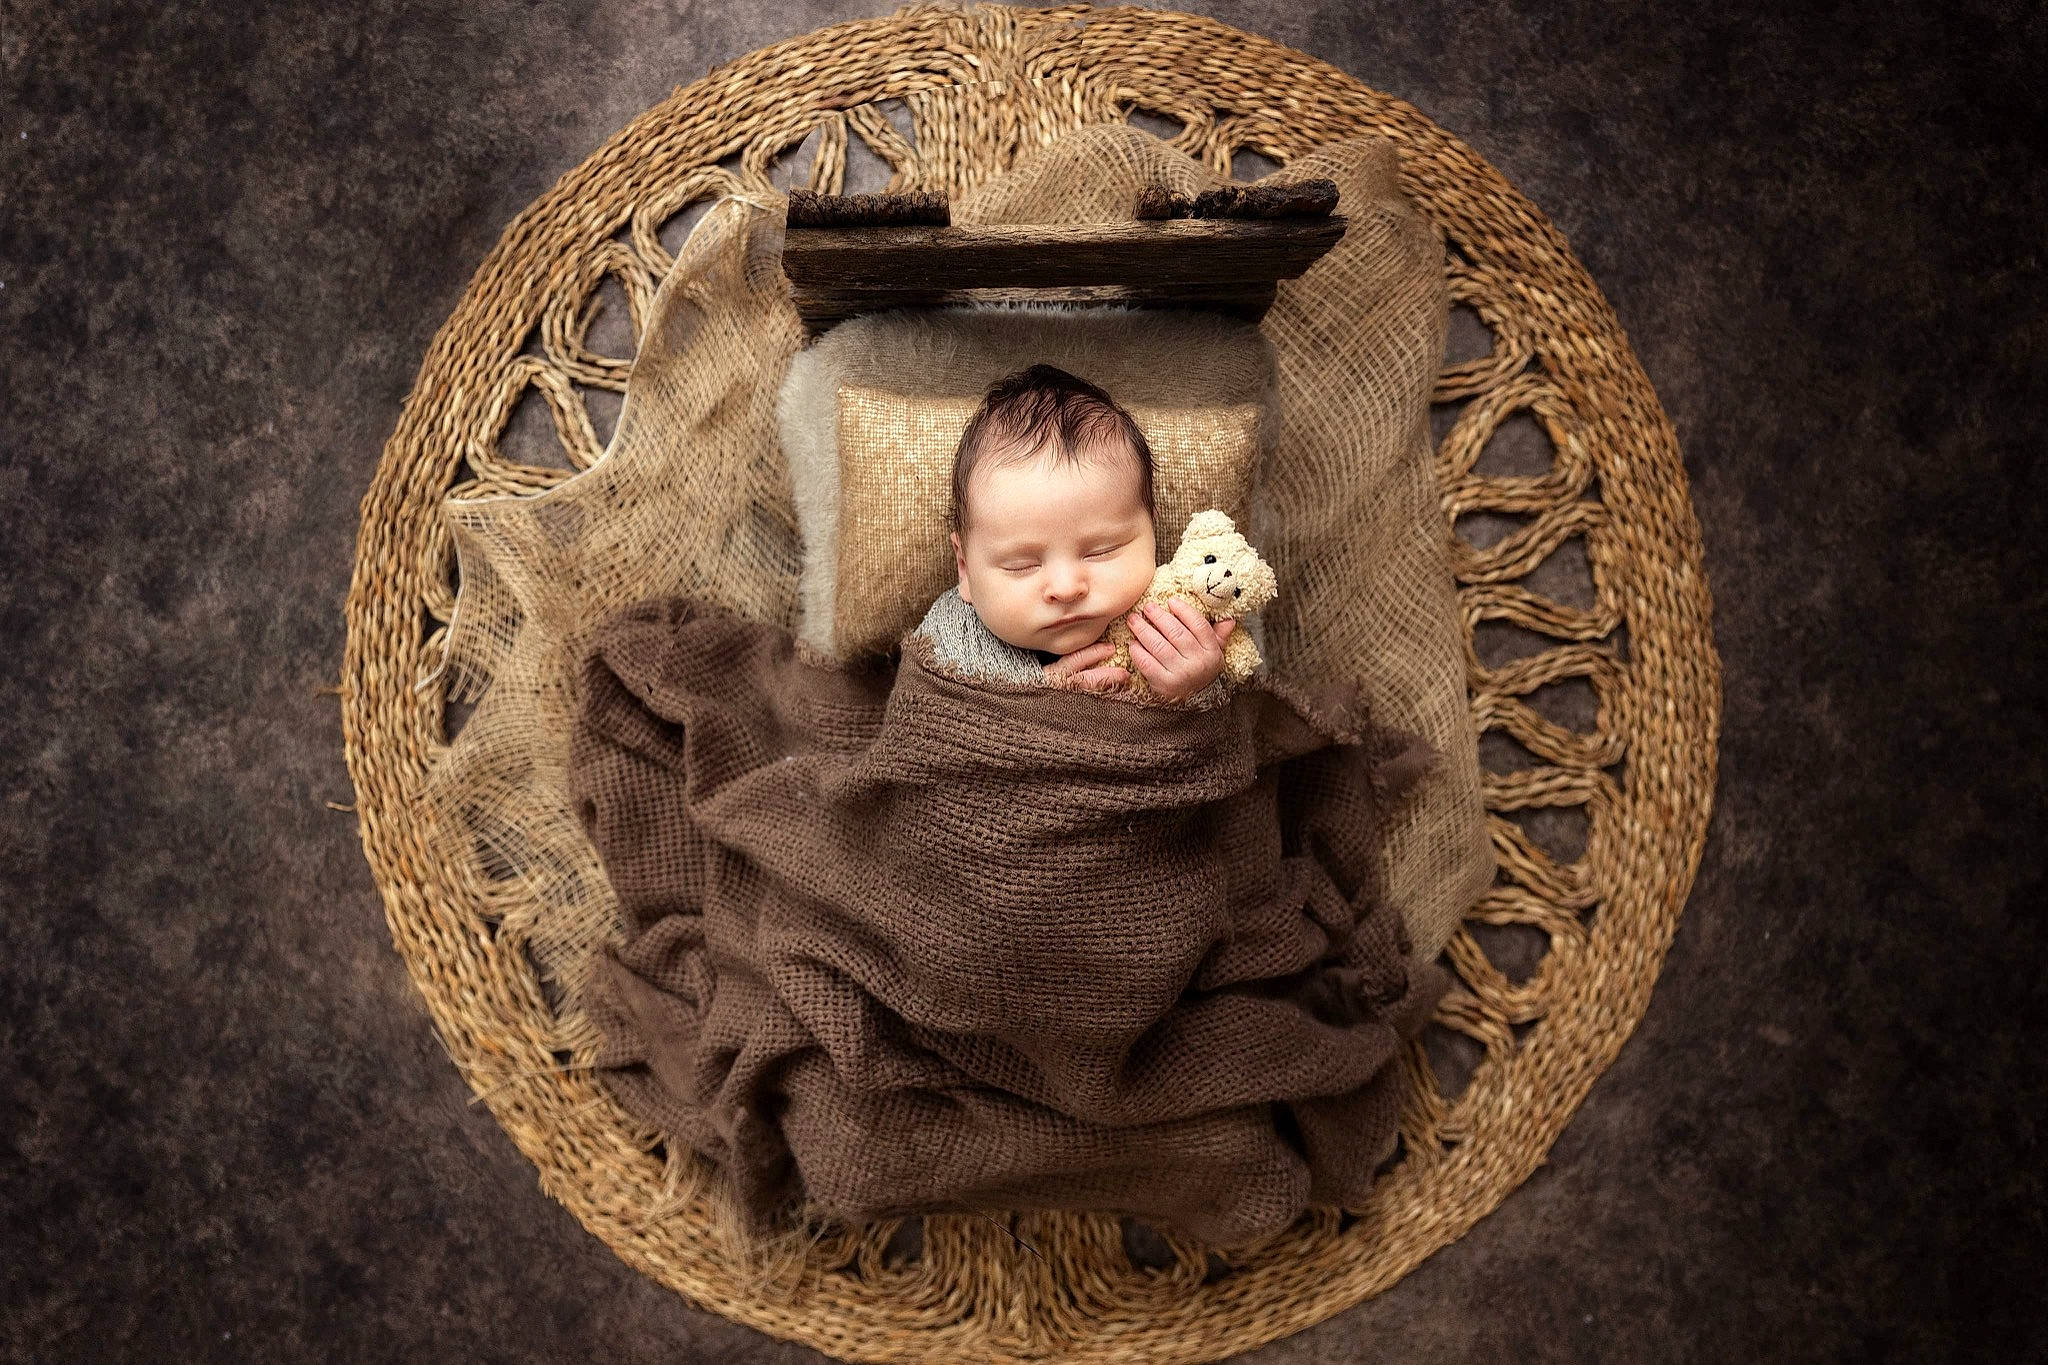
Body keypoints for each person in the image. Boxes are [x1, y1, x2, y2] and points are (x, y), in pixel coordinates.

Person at [945, 363, 1236, 702]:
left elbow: (1225, 747)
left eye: (1102, 550)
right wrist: (1034, 704)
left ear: (1152, 534)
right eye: (1022, 565)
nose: (1067, 589)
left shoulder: (1173, 622)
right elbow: (919, 738)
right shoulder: (950, 641)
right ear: (965, 569)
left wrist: (1196, 690)